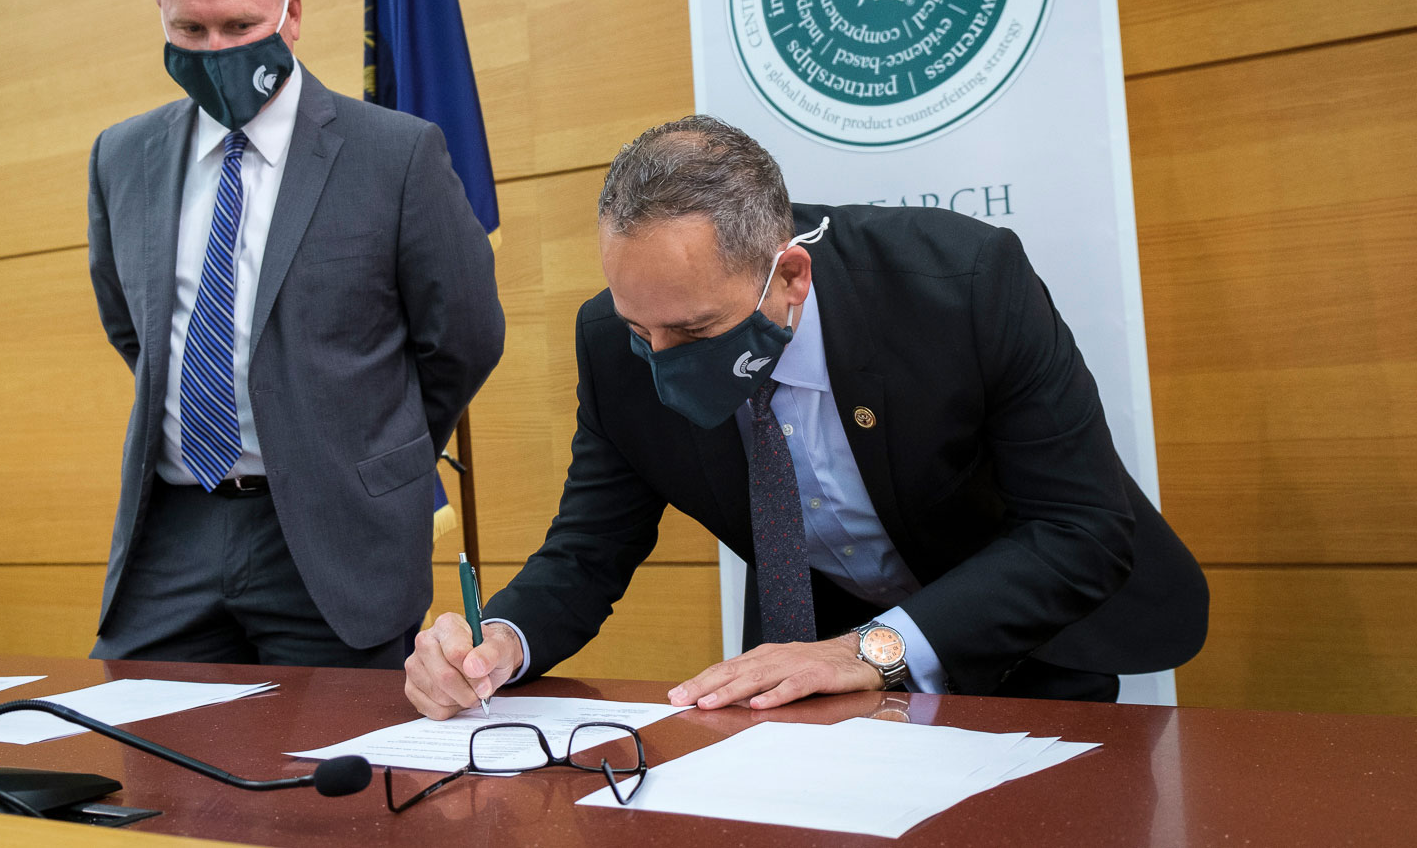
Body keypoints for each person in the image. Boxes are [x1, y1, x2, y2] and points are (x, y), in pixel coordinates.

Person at [405, 115, 1206, 715]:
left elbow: (1083, 530)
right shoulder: (614, 348)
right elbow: (587, 552)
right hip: (823, 679)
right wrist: (499, 643)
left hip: (1028, 644)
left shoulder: (962, 284)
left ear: (790, 276)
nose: (658, 353)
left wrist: (877, 649)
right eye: (637, 326)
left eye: (690, 332)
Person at [87, 0, 504, 667]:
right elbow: (135, 328)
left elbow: (465, 336)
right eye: (192, 28)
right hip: (172, 533)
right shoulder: (122, 156)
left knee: (336, 771)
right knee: (141, 761)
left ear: (292, 15)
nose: (216, 50)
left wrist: (363, 446)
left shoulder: (396, 154)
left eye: (241, 24)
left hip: (337, 535)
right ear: (162, 17)